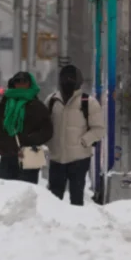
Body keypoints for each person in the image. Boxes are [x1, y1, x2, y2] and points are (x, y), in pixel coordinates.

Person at [45, 65, 105, 206]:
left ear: (79, 81)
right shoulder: (52, 101)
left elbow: (99, 129)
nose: (68, 81)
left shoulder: (88, 102)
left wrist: (83, 141)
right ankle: (54, 225)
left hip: (79, 159)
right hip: (56, 158)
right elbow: (43, 125)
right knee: (53, 199)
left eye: (71, 78)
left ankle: (76, 225)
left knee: (76, 197)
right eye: (65, 77)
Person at [0, 71, 53, 184]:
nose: (21, 85)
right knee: (6, 191)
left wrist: (31, 139)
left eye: (24, 82)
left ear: (30, 84)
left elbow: (47, 130)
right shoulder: (5, 103)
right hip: (8, 154)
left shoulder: (37, 106)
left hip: (30, 154)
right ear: (13, 84)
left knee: (26, 192)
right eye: (18, 82)